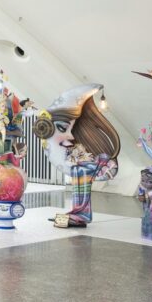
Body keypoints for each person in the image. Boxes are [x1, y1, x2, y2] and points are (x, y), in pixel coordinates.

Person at [33, 84, 119, 227]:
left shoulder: (77, 152)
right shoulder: (63, 148)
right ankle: (79, 212)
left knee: (81, 170)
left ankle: (81, 213)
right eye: (63, 128)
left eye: (70, 129)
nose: (70, 135)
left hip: (91, 166)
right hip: (82, 166)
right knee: (79, 171)